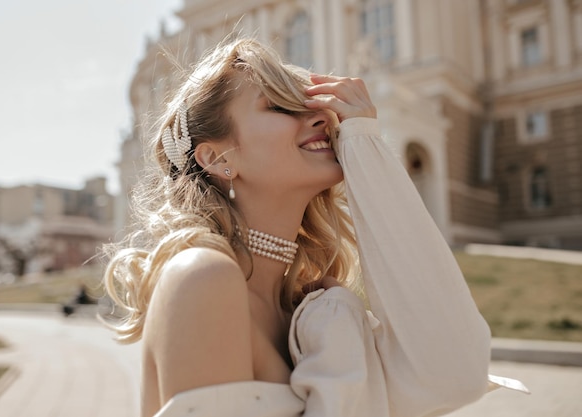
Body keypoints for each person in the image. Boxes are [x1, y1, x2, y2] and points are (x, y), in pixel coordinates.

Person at [103, 37, 527, 417]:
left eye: (311, 102)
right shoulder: (202, 279)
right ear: (218, 160)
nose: (323, 115)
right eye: (279, 105)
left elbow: (456, 373)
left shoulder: (312, 312)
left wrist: (363, 143)